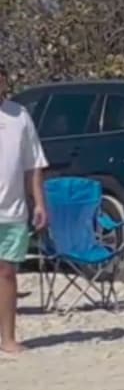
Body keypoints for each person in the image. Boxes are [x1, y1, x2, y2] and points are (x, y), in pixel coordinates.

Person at [0, 65, 49, 355]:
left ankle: (7, 337)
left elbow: (34, 165)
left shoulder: (19, 115)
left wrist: (40, 203)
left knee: (6, 273)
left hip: (12, 210)